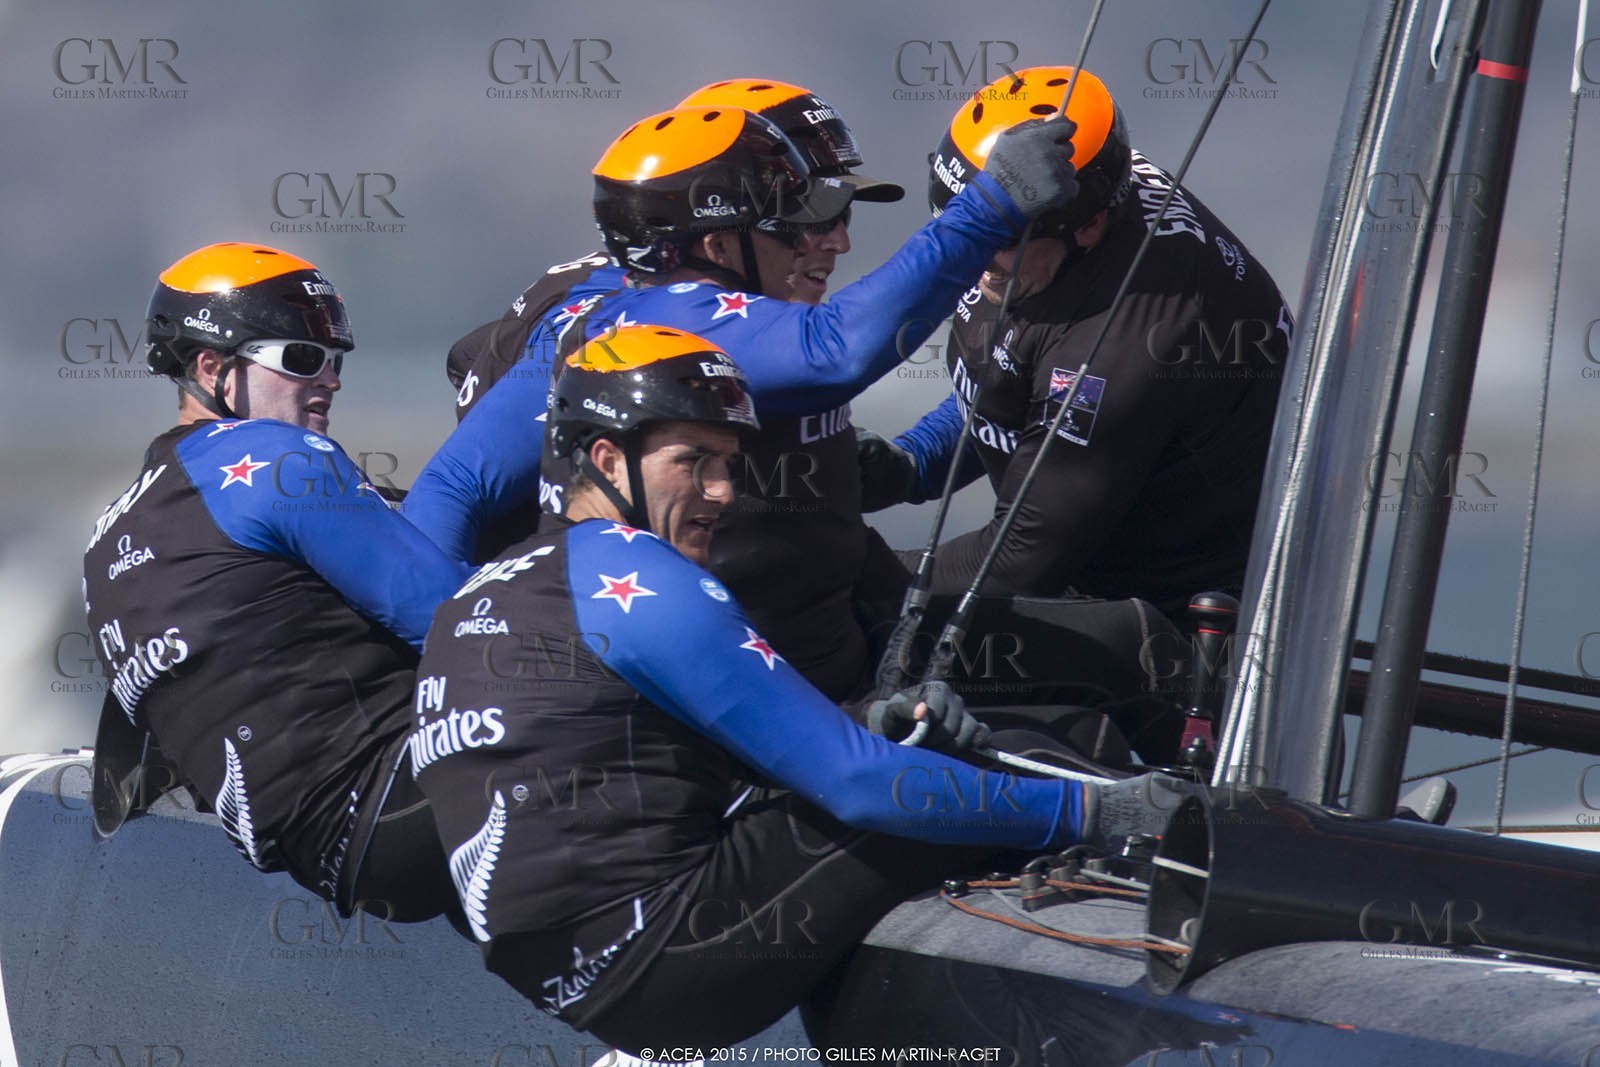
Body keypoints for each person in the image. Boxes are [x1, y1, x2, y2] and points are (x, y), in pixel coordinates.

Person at [411, 326, 1179, 1052]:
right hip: (665, 957)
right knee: (1019, 752)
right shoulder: (637, 578)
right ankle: (1187, 867)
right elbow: (856, 785)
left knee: (924, 764)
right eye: (694, 461)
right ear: (608, 460)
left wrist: (869, 719)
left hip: (580, 977)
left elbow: (663, 766)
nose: (722, 492)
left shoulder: (486, 589)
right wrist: (1095, 811)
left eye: (729, 463)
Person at [407, 102, 1083, 700]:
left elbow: (452, 481)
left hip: (824, 643)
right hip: (759, 682)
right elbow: (837, 349)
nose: (831, 241)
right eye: (793, 223)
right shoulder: (663, 315)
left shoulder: (643, 303)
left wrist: (916, 457)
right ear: (717, 242)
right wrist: (990, 206)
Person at [82, 242, 470, 921]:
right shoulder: (275, 456)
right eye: (301, 358)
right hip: (406, 796)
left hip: (329, 858)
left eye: (335, 360)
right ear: (212, 368)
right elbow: (459, 621)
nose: (330, 380)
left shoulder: (106, 540)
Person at [878, 66, 1293, 624]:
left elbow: (1019, 564)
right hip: (1089, 547)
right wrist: (909, 462)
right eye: (963, 220)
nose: (974, 254)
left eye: (999, 238)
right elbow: (1007, 382)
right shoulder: (1062, 189)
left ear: (1091, 225)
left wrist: (852, 569)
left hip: (1176, 616)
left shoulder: (1122, 339)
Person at [441, 78, 902, 427]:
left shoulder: (638, 276)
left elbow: (469, 354)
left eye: (841, 213)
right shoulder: (621, 306)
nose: (839, 243)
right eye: (807, 215)